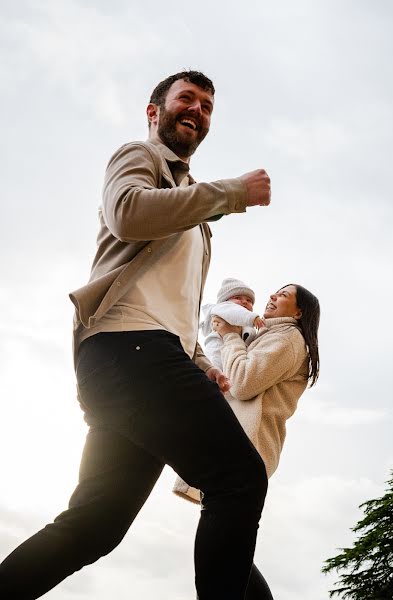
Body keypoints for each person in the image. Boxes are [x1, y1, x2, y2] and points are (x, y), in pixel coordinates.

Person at [0, 71, 272, 599]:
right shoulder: (140, 157)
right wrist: (234, 192)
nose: (197, 110)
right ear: (155, 112)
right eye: (186, 99)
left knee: (94, 526)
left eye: (207, 105)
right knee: (238, 479)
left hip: (138, 361)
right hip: (128, 350)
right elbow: (126, 214)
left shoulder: (197, 219)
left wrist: (201, 366)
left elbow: (173, 313)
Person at [174, 283, 320, 599]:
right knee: (229, 556)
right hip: (235, 456)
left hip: (243, 457)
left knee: (219, 557)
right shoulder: (262, 337)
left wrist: (228, 336)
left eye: (283, 295)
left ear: (298, 312)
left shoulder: (288, 338)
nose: (272, 296)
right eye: (275, 292)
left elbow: (243, 383)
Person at [200, 277, 264, 371]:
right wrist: (252, 317)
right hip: (218, 346)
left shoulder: (245, 323)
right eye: (237, 298)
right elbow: (234, 312)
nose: (245, 301)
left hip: (233, 353)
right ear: (225, 301)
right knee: (214, 368)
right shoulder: (224, 308)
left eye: (249, 300)